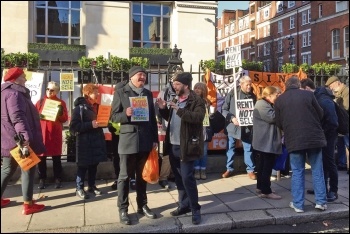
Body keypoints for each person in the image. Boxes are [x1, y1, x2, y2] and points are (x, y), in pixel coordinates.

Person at [110, 66, 158, 225]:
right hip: (128, 141)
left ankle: (142, 205)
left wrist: (155, 140)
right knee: (124, 177)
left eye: (144, 75)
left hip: (144, 141)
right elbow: (113, 117)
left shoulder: (147, 94)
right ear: (131, 77)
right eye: (140, 75)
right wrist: (126, 114)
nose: (143, 78)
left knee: (142, 176)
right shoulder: (120, 92)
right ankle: (122, 209)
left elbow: (152, 119)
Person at [157, 72, 206, 225]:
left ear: (185, 85)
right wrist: (164, 109)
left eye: (177, 84)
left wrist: (178, 108)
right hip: (172, 144)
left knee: (187, 177)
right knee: (178, 177)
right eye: (174, 84)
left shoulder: (196, 100)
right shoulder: (174, 98)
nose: (174, 86)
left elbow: (197, 118)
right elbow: (171, 119)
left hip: (187, 145)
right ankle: (183, 205)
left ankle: (195, 208)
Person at [274, 76, 327, 213]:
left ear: (286, 86)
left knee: (297, 171)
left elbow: (278, 123)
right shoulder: (308, 95)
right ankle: (321, 202)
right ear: (298, 85)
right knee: (317, 170)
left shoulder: (279, 100)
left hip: (294, 139)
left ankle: (298, 204)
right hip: (314, 138)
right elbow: (321, 113)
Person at [1, 67, 46, 214]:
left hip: (7, 138)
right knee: (28, 168)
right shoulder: (15, 94)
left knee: (7, 169)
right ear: (16, 79)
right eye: (23, 77)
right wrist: (25, 138)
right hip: (18, 140)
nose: (26, 80)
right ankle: (28, 204)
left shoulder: (4, 93)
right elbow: (18, 117)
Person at [301, 78, 339, 202]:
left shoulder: (323, 99)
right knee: (321, 162)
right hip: (322, 135)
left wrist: (323, 132)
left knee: (329, 161)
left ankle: (333, 190)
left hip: (328, 135)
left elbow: (333, 122)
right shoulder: (316, 98)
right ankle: (322, 188)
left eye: (302, 91)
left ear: (307, 89)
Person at [69, 83, 107, 200]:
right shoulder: (79, 108)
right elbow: (74, 127)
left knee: (94, 165)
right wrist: (90, 124)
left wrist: (106, 121)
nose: (98, 93)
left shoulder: (98, 106)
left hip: (96, 141)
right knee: (83, 166)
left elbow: (101, 122)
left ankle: (91, 186)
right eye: (95, 92)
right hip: (85, 142)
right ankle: (79, 188)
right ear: (88, 93)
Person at [221, 75, 257, 180]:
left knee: (248, 148)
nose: (249, 86)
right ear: (241, 84)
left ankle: (250, 170)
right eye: (247, 84)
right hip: (233, 126)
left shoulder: (252, 96)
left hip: (246, 127)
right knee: (230, 148)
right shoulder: (232, 94)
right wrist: (231, 118)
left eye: (250, 84)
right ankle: (229, 168)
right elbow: (224, 109)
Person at [35, 81, 68, 189]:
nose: (49, 91)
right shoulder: (40, 102)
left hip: (54, 133)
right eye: (48, 89)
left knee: (56, 157)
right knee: (41, 158)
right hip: (42, 133)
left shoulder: (61, 103)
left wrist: (60, 114)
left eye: (52, 90)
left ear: (56, 92)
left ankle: (58, 178)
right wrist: (38, 117)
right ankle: (42, 179)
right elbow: (33, 117)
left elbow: (64, 119)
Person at [252, 86, 283, 200]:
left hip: (265, 141)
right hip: (265, 142)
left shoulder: (266, 104)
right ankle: (266, 190)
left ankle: (261, 187)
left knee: (262, 166)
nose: (278, 97)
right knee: (266, 166)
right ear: (269, 95)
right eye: (277, 95)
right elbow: (273, 118)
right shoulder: (262, 104)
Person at [154, 71, 179, 188]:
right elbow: (157, 107)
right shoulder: (165, 91)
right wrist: (160, 121)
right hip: (166, 127)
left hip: (179, 128)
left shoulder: (184, 92)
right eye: (175, 82)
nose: (177, 85)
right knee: (166, 153)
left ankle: (173, 174)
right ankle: (163, 177)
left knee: (176, 153)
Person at [325, 76, 349, 172]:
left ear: (337, 83)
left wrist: (335, 104)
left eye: (331, 85)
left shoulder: (346, 91)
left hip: (346, 122)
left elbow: (346, 107)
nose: (330, 88)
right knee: (340, 143)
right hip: (341, 123)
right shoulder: (338, 92)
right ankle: (342, 163)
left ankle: (345, 164)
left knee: (347, 144)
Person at [193, 82, 212, 180]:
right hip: (195, 128)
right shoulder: (191, 100)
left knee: (204, 151)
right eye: (195, 88)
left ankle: (203, 170)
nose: (197, 90)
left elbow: (210, 115)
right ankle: (196, 169)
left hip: (204, 128)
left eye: (199, 88)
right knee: (196, 151)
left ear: (204, 90)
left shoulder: (207, 102)